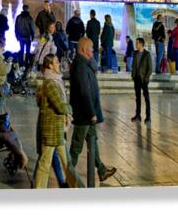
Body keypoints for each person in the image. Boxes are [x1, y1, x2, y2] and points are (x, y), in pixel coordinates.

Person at [68, 37, 116, 184]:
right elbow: (84, 91)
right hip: (84, 114)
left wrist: (91, 59)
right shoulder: (80, 66)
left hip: (88, 113)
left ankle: (101, 170)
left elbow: (95, 67)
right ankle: (67, 175)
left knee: (92, 140)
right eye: (91, 48)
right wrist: (91, 113)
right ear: (84, 49)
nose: (93, 50)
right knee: (76, 146)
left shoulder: (85, 62)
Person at [34, 53, 80, 188]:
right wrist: (70, 108)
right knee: (45, 164)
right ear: (50, 65)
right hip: (52, 131)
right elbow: (60, 106)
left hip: (57, 130)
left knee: (66, 164)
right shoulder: (50, 83)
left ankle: (76, 187)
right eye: (56, 62)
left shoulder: (55, 81)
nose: (59, 64)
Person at [131, 37, 152, 123]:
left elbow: (150, 68)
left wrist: (146, 79)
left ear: (141, 44)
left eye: (137, 43)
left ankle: (148, 117)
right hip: (136, 79)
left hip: (143, 80)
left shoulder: (147, 54)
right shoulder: (135, 53)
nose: (136, 44)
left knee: (146, 98)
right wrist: (133, 75)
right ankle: (138, 115)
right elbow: (133, 65)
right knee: (138, 98)